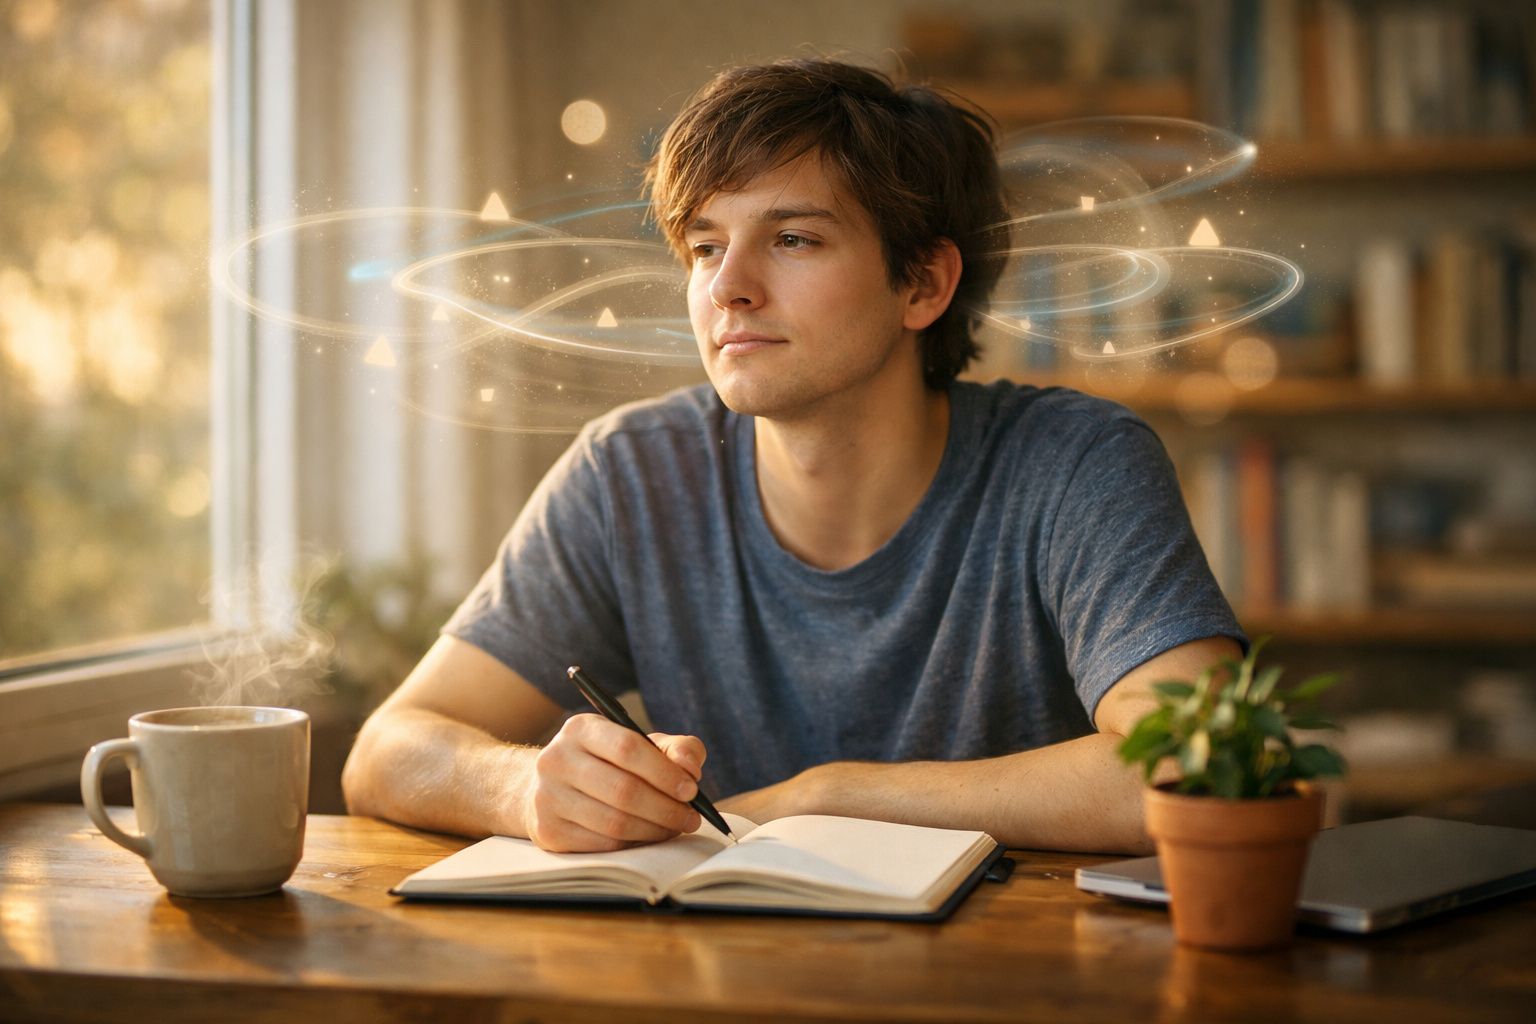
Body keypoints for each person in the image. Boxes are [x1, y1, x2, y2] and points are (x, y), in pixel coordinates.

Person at [342, 59, 1244, 855]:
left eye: (792, 238)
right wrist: (524, 786)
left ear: (924, 283)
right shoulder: (631, 474)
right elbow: (388, 752)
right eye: (704, 245)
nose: (728, 285)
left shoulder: (1074, 464)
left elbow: (1195, 766)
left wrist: (827, 796)